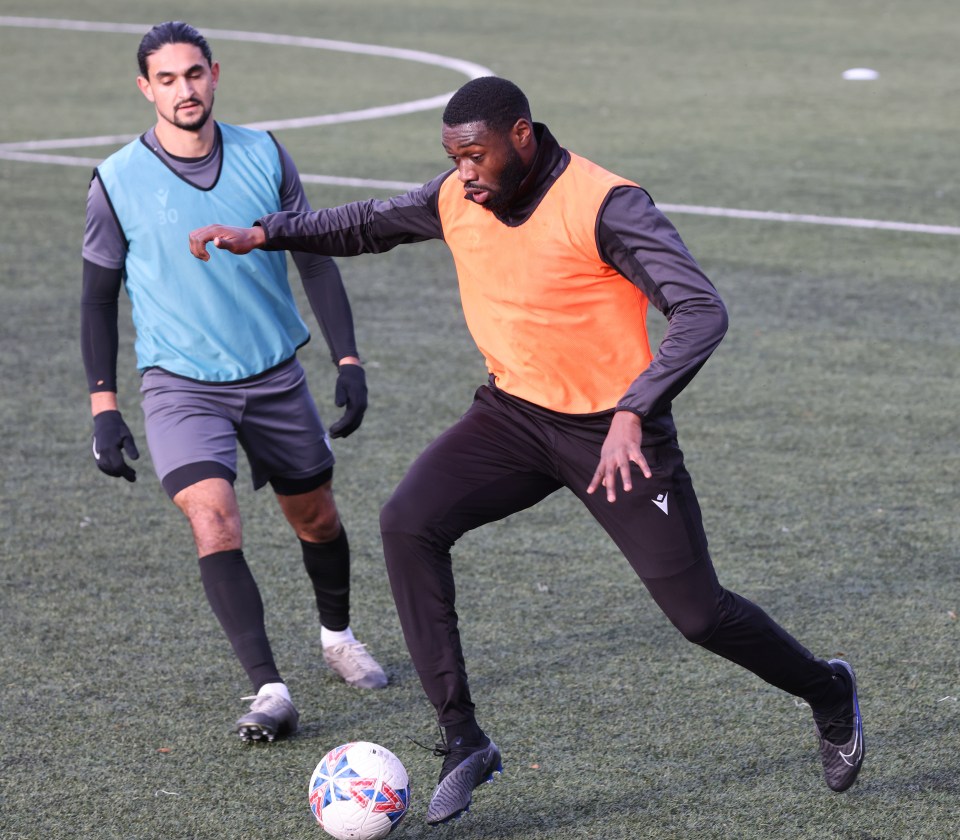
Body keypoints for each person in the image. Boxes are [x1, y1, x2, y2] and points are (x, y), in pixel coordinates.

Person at [188, 76, 864, 820]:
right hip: (511, 416)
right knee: (407, 522)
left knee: (699, 617)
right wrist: (266, 232)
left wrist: (639, 406)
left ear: (522, 136)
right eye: (454, 158)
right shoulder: (457, 195)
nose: (465, 172)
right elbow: (368, 223)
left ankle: (827, 689)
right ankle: (463, 740)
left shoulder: (606, 205)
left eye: (475, 155)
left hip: (613, 434)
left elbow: (701, 310)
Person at [81, 21, 388, 744]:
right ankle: (270, 689)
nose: (183, 90)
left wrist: (347, 360)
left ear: (215, 75)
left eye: (194, 75)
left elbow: (314, 255)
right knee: (213, 518)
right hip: (181, 385)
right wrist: (104, 406)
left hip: (276, 376)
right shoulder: (117, 180)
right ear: (144, 88)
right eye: (167, 79)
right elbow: (97, 298)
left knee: (316, 517)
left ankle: (337, 636)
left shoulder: (265, 152)